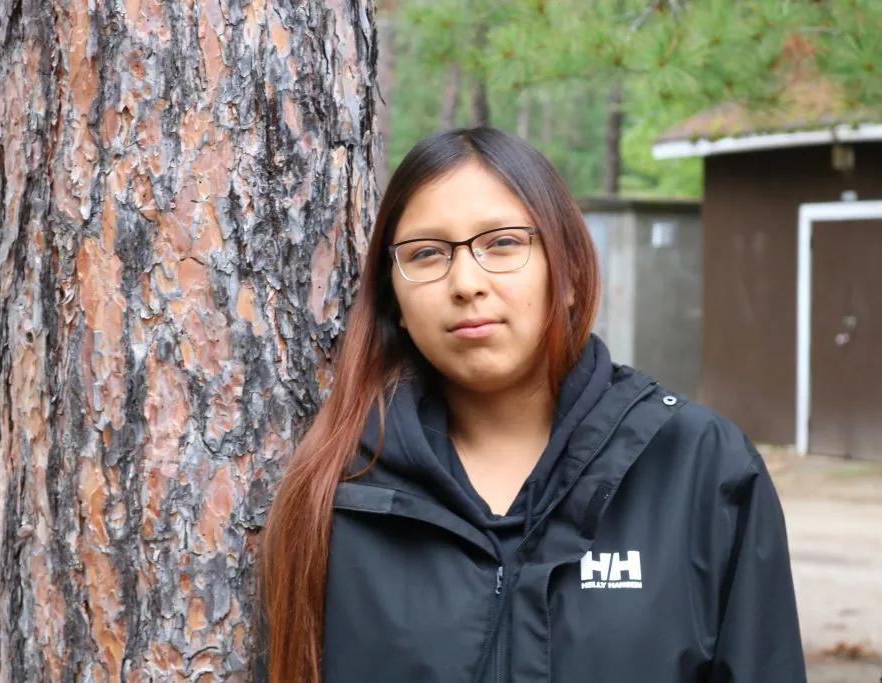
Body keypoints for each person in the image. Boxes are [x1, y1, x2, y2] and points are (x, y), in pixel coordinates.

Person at [258, 127, 806, 683]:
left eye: (502, 243)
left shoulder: (700, 467)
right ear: (394, 299)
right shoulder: (341, 489)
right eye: (426, 254)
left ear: (566, 272)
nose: (466, 282)